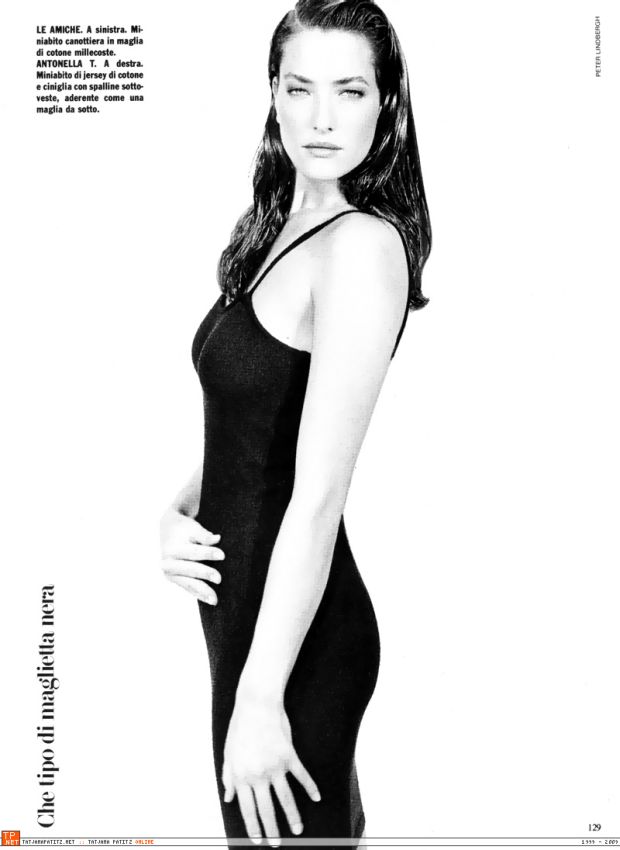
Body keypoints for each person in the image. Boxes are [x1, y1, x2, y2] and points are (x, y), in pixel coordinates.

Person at [160, 0, 431, 845]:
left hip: (292, 645)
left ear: (386, 104)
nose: (321, 118)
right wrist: (180, 509)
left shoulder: (361, 246)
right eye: (300, 88)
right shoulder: (281, 227)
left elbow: (316, 498)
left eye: (349, 91)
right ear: (273, 95)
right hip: (247, 620)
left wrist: (260, 697)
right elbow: (255, 425)